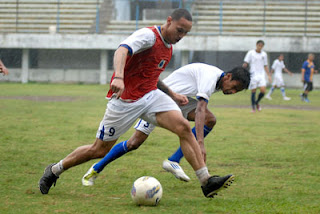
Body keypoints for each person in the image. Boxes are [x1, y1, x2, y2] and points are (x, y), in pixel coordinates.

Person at [39, 9, 234, 198]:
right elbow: (122, 50)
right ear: (169, 21)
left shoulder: (168, 47)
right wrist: (119, 76)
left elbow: (150, 76)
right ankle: (55, 169)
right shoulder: (148, 36)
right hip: (124, 101)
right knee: (98, 150)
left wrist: (172, 93)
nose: (181, 35)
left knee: (183, 127)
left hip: (151, 96)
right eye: (179, 30)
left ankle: (206, 181)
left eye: (186, 33)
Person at [82, 63, 250, 185]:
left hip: (179, 101)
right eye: (234, 87)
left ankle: (173, 160)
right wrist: (200, 143)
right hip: (158, 99)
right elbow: (200, 109)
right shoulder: (211, 77)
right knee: (134, 143)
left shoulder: (218, 80)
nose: (232, 92)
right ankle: (96, 168)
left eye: (237, 91)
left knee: (210, 120)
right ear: (228, 77)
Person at [243, 40, 271, 113]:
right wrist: (242, 70)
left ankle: (257, 102)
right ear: (256, 45)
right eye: (259, 45)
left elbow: (265, 65)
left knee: (263, 90)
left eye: (261, 46)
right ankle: (253, 108)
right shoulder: (251, 53)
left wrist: (269, 75)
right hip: (253, 75)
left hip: (261, 75)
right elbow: (246, 63)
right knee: (253, 91)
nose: (260, 47)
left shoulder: (264, 54)